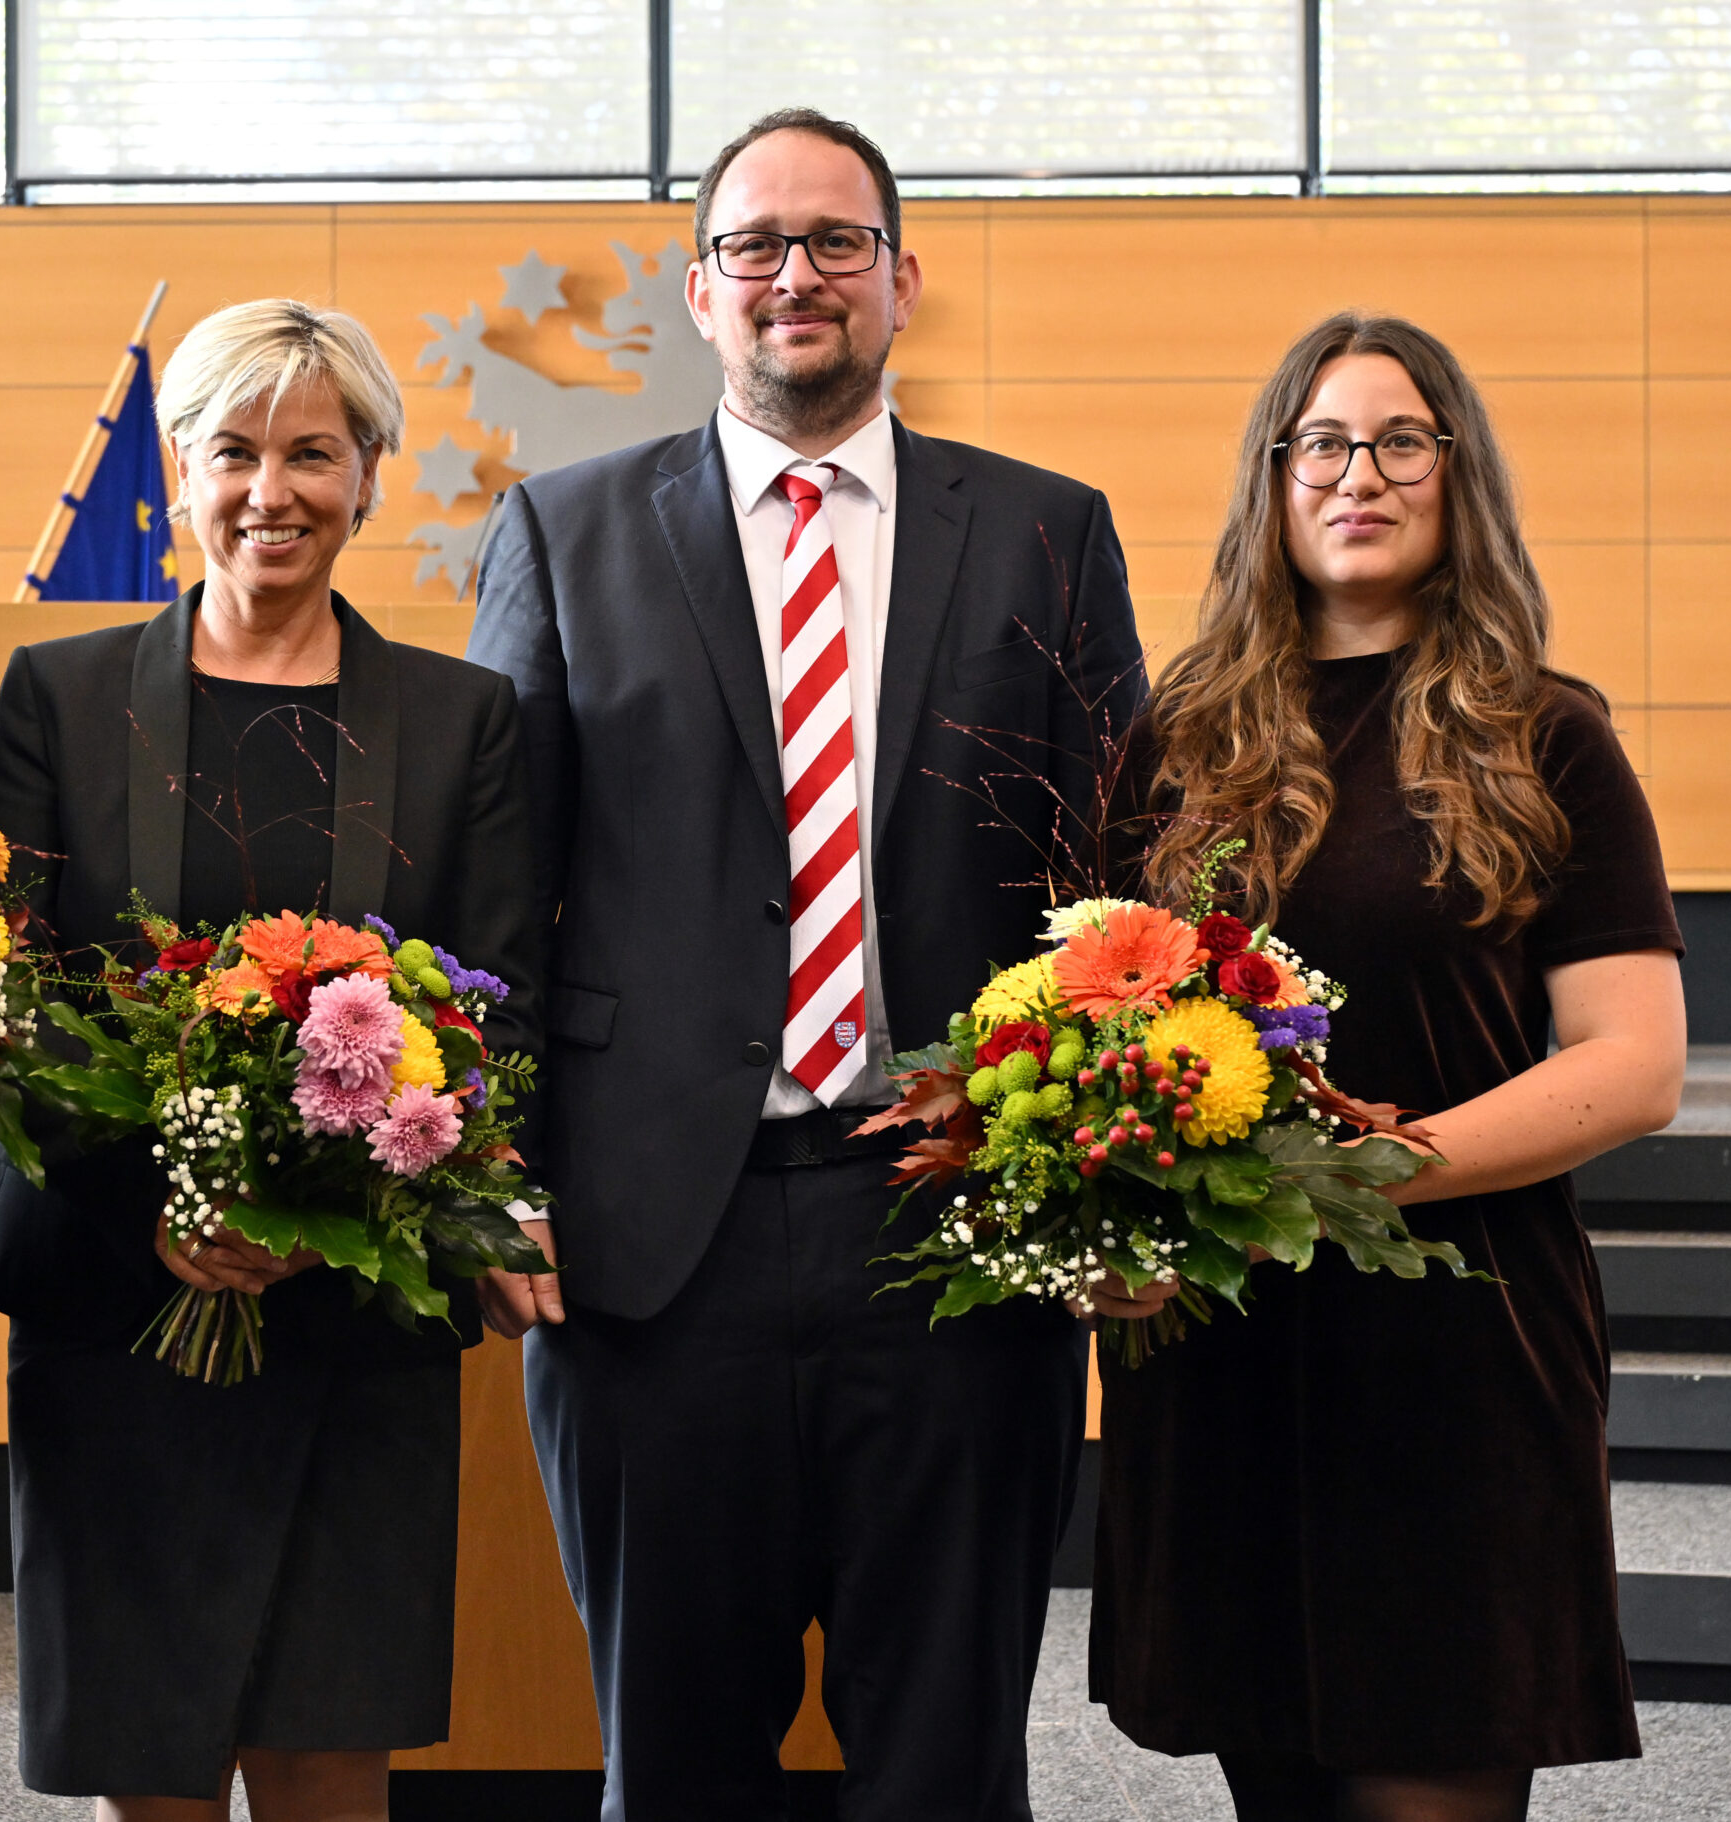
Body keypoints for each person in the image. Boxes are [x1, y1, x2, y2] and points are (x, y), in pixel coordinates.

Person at [466, 108, 1146, 1821]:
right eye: (758, 245)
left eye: (837, 241)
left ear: (904, 280)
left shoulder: (1049, 535)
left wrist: (1109, 1180)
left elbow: (1111, 892)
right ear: (701, 292)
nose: (798, 275)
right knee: (677, 1760)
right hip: (647, 1255)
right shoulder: (564, 531)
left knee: (945, 1758)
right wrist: (494, 1167)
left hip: (953, 1230)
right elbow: (495, 894)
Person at [0, 299, 542, 1822]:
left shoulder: (466, 720)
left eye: (316, 453)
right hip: (117, 1289)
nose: (274, 489)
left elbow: (497, 1000)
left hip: (352, 1306)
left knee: (334, 1743)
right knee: (147, 1749)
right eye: (237, 450)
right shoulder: (59, 698)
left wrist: (324, 1190)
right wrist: (170, 1198)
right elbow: (20, 988)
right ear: (182, 471)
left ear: (370, 477)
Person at [1083, 313, 1685, 1822]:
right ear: (1273, 482)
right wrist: (1111, 1224)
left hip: (1454, 1349)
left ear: (1453, 475)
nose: (1362, 473)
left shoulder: (1542, 735)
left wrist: (1373, 1169)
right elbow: (1099, 1028)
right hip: (1225, 1353)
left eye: (1401, 439)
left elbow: (1635, 1062)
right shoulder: (1180, 745)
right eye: (1325, 443)